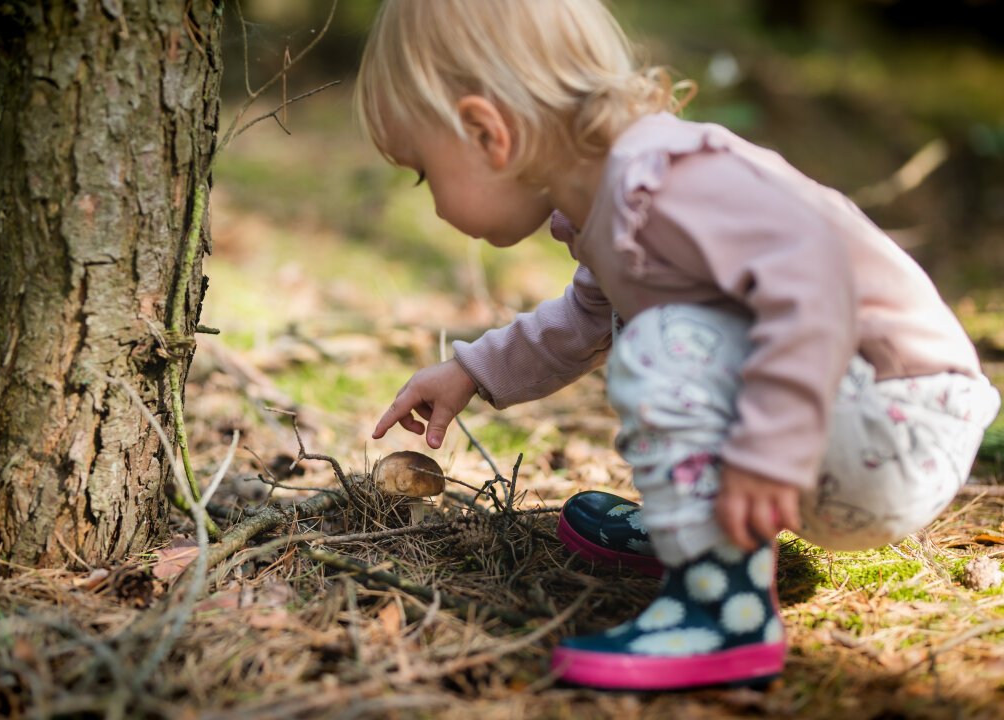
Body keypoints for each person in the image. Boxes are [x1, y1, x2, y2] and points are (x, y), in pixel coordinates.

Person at [355, 0, 1001, 691]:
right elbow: (581, 321)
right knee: (652, 330)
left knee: (664, 341)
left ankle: (722, 606)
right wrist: (471, 371)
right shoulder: (611, 205)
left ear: (490, 134)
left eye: (424, 173)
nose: (432, 203)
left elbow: (815, 277)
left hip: (896, 415)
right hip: (845, 425)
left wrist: (769, 444)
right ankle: (700, 541)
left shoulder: (668, 178)